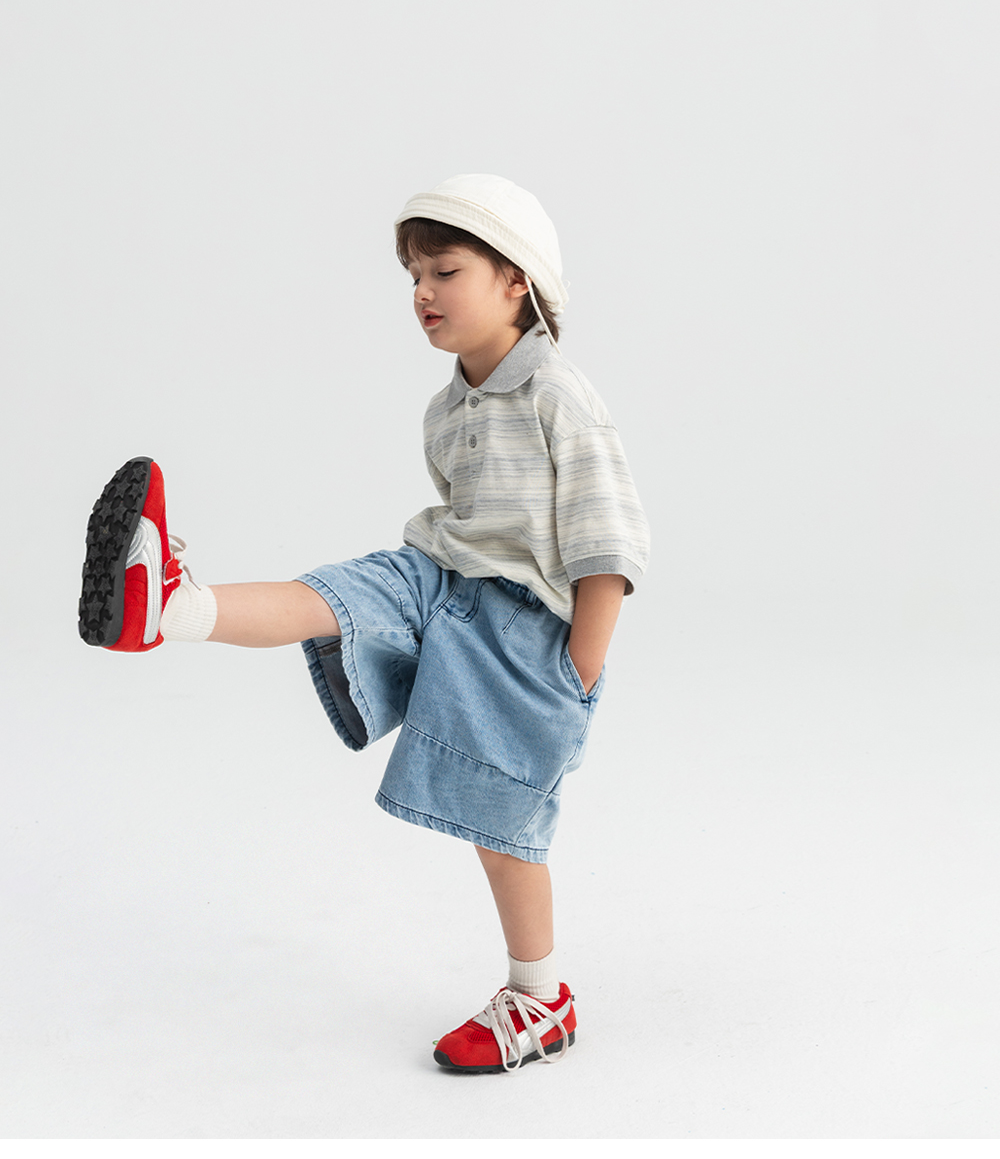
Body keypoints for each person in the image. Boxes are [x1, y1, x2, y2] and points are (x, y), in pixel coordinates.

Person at [78, 174, 650, 1073]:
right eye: (414, 276)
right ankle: (169, 605)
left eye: (445, 271)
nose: (422, 292)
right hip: (440, 579)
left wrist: (574, 677)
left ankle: (541, 998)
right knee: (343, 593)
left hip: (523, 637)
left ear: (517, 281)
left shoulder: (558, 398)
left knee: (501, 829)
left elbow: (604, 549)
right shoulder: (446, 409)